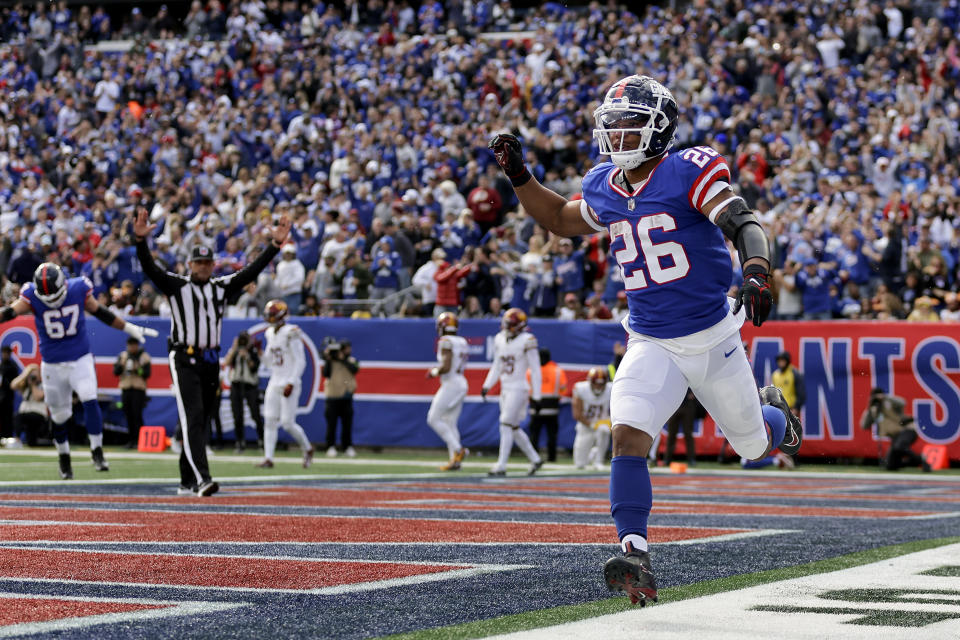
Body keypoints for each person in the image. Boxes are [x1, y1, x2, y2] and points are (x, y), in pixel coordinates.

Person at [489, 75, 802, 605]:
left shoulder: (688, 169)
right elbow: (560, 219)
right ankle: (634, 554)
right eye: (611, 126)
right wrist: (520, 175)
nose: (618, 136)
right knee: (627, 433)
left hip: (712, 335)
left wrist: (756, 271)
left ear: (659, 128)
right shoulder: (604, 185)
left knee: (752, 445)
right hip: (650, 338)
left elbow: (742, 221)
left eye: (629, 124)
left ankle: (775, 415)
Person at [133, 207, 290, 497]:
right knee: (193, 415)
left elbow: (249, 272)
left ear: (212, 264)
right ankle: (203, 478)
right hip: (183, 357)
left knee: (201, 418)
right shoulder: (177, 286)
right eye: (199, 262)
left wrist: (274, 246)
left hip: (209, 359)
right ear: (190, 265)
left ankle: (185, 480)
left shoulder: (220, 288)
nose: (204, 267)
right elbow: (151, 270)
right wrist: (141, 242)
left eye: (208, 262)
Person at [0, 263, 157, 479]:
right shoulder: (32, 296)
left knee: (89, 398)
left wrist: (129, 327)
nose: (50, 299)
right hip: (52, 364)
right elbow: (10, 312)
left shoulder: (78, 289)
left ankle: (97, 451)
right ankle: (64, 457)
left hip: (79, 359)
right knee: (59, 415)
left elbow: (102, 313)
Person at [481, 308, 544, 476]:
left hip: (518, 387)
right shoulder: (499, 338)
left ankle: (501, 465)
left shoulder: (527, 340)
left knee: (505, 424)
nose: (507, 327)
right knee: (513, 427)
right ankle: (535, 459)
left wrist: (537, 395)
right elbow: (497, 365)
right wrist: (487, 385)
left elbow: (536, 370)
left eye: (511, 324)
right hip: (505, 387)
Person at [256, 300, 314, 469]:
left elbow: (300, 361)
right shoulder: (269, 333)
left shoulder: (292, 332)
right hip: (275, 380)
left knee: (288, 423)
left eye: (271, 314)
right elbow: (268, 362)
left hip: (289, 381)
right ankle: (268, 458)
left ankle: (307, 448)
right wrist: (259, 352)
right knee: (269, 420)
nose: (269, 318)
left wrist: (291, 382)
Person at [426, 311, 469, 470]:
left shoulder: (445, 341)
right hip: (461, 382)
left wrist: (433, 372)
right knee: (450, 422)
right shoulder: (462, 341)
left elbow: (446, 366)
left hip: (451, 383)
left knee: (433, 418)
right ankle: (455, 461)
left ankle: (458, 450)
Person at [861, 387, 929, 472]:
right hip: (896, 437)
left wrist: (885, 397)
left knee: (899, 446)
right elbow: (864, 426)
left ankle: (921, 461)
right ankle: (911, 461)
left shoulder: (890, 403)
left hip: (907, 430)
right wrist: (870, 408)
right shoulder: (873, 410)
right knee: (890, 465)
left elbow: (902, 402)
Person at [526, 348, 568, 462]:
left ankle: (533, 457)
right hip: (552, 408)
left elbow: (526, 389)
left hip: (536, 408)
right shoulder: (558, 371)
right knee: (552, 435)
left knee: (534, 435)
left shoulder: (530, 371)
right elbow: (563, 389)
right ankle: (552, 457)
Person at [225, 330, 263, 452]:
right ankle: (240, 442)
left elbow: (254, 368)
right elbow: (226, 362)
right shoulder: (235, 350)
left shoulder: (253, 351)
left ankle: (262, 440)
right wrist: (235, 348)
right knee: (237, 415)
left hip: (250, 386)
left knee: (255, 414)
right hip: (236, 385)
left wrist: (247, 356)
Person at [322, 337, 359, 457]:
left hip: (346, 396)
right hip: (332, 396)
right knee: (331, 424)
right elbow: (325, 373)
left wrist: (343, 359)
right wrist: (328, 358)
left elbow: (355, 369)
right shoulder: (331, 361)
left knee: (347, 424)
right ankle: (330, 446)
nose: (348, 350)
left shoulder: (352, 360)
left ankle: (347, 446)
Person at [113, 336, 151, 449]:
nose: (132, 347)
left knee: (137, 415)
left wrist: (137, 368)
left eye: (134, 345)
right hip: (126, 388)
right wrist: (122, 364)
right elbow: (116, 372)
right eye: (130, 345)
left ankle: (140, 440)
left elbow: (147, 374)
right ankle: (131, 440)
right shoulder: (123, 356)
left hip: (138, 389)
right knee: (128, 414)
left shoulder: (144, 357)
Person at [572, 367, 612, 470]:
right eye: (596, 383)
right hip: (585, 425)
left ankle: (598, 460)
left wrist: (609, 421)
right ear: (590, 381)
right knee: (580, 464)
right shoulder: (581, 389)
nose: (598, 386)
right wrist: (592, 425)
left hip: (602, 422)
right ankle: (593, 453)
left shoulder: (611, 389)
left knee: (604, 430)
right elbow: (577, 414)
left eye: (601, 384)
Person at [9, 364, 47, 447]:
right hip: (25, 412)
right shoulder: (25, 386)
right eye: (31, 373)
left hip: (38, 413)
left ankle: (19, 440)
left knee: (19, 417)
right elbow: (13, 385)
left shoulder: (43, 385)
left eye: (35, 373)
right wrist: (25, 374)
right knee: (31, 442)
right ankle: (19, 440)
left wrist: (33, 384)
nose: (33, 375)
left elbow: (38, 397)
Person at [663, 389, 702, 467]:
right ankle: (667, 459)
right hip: (674, 404)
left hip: (687, 404)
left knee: (688, 434)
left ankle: (691, 459)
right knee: (671, 434)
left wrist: (693, 392)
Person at [771, 351, 805, 420]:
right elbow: (773, 393)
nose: (781, 363)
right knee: (777, 430)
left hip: (791, 410)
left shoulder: (795, 373)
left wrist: (796, 408)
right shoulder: (775, 375)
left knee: (791, 430)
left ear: (787, 361)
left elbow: (801, 393)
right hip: (778, 410)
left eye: (783, 360)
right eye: (779, 361)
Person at [0, 346, 20, 441]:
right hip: (1, 395)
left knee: (7, 417)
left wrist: (4, 381)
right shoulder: (1, 365)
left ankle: (7, 436)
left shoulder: (13, 366)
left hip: (8, 396)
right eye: (3, 353)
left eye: (6, 353)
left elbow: (13, 383)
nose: (4, 355)